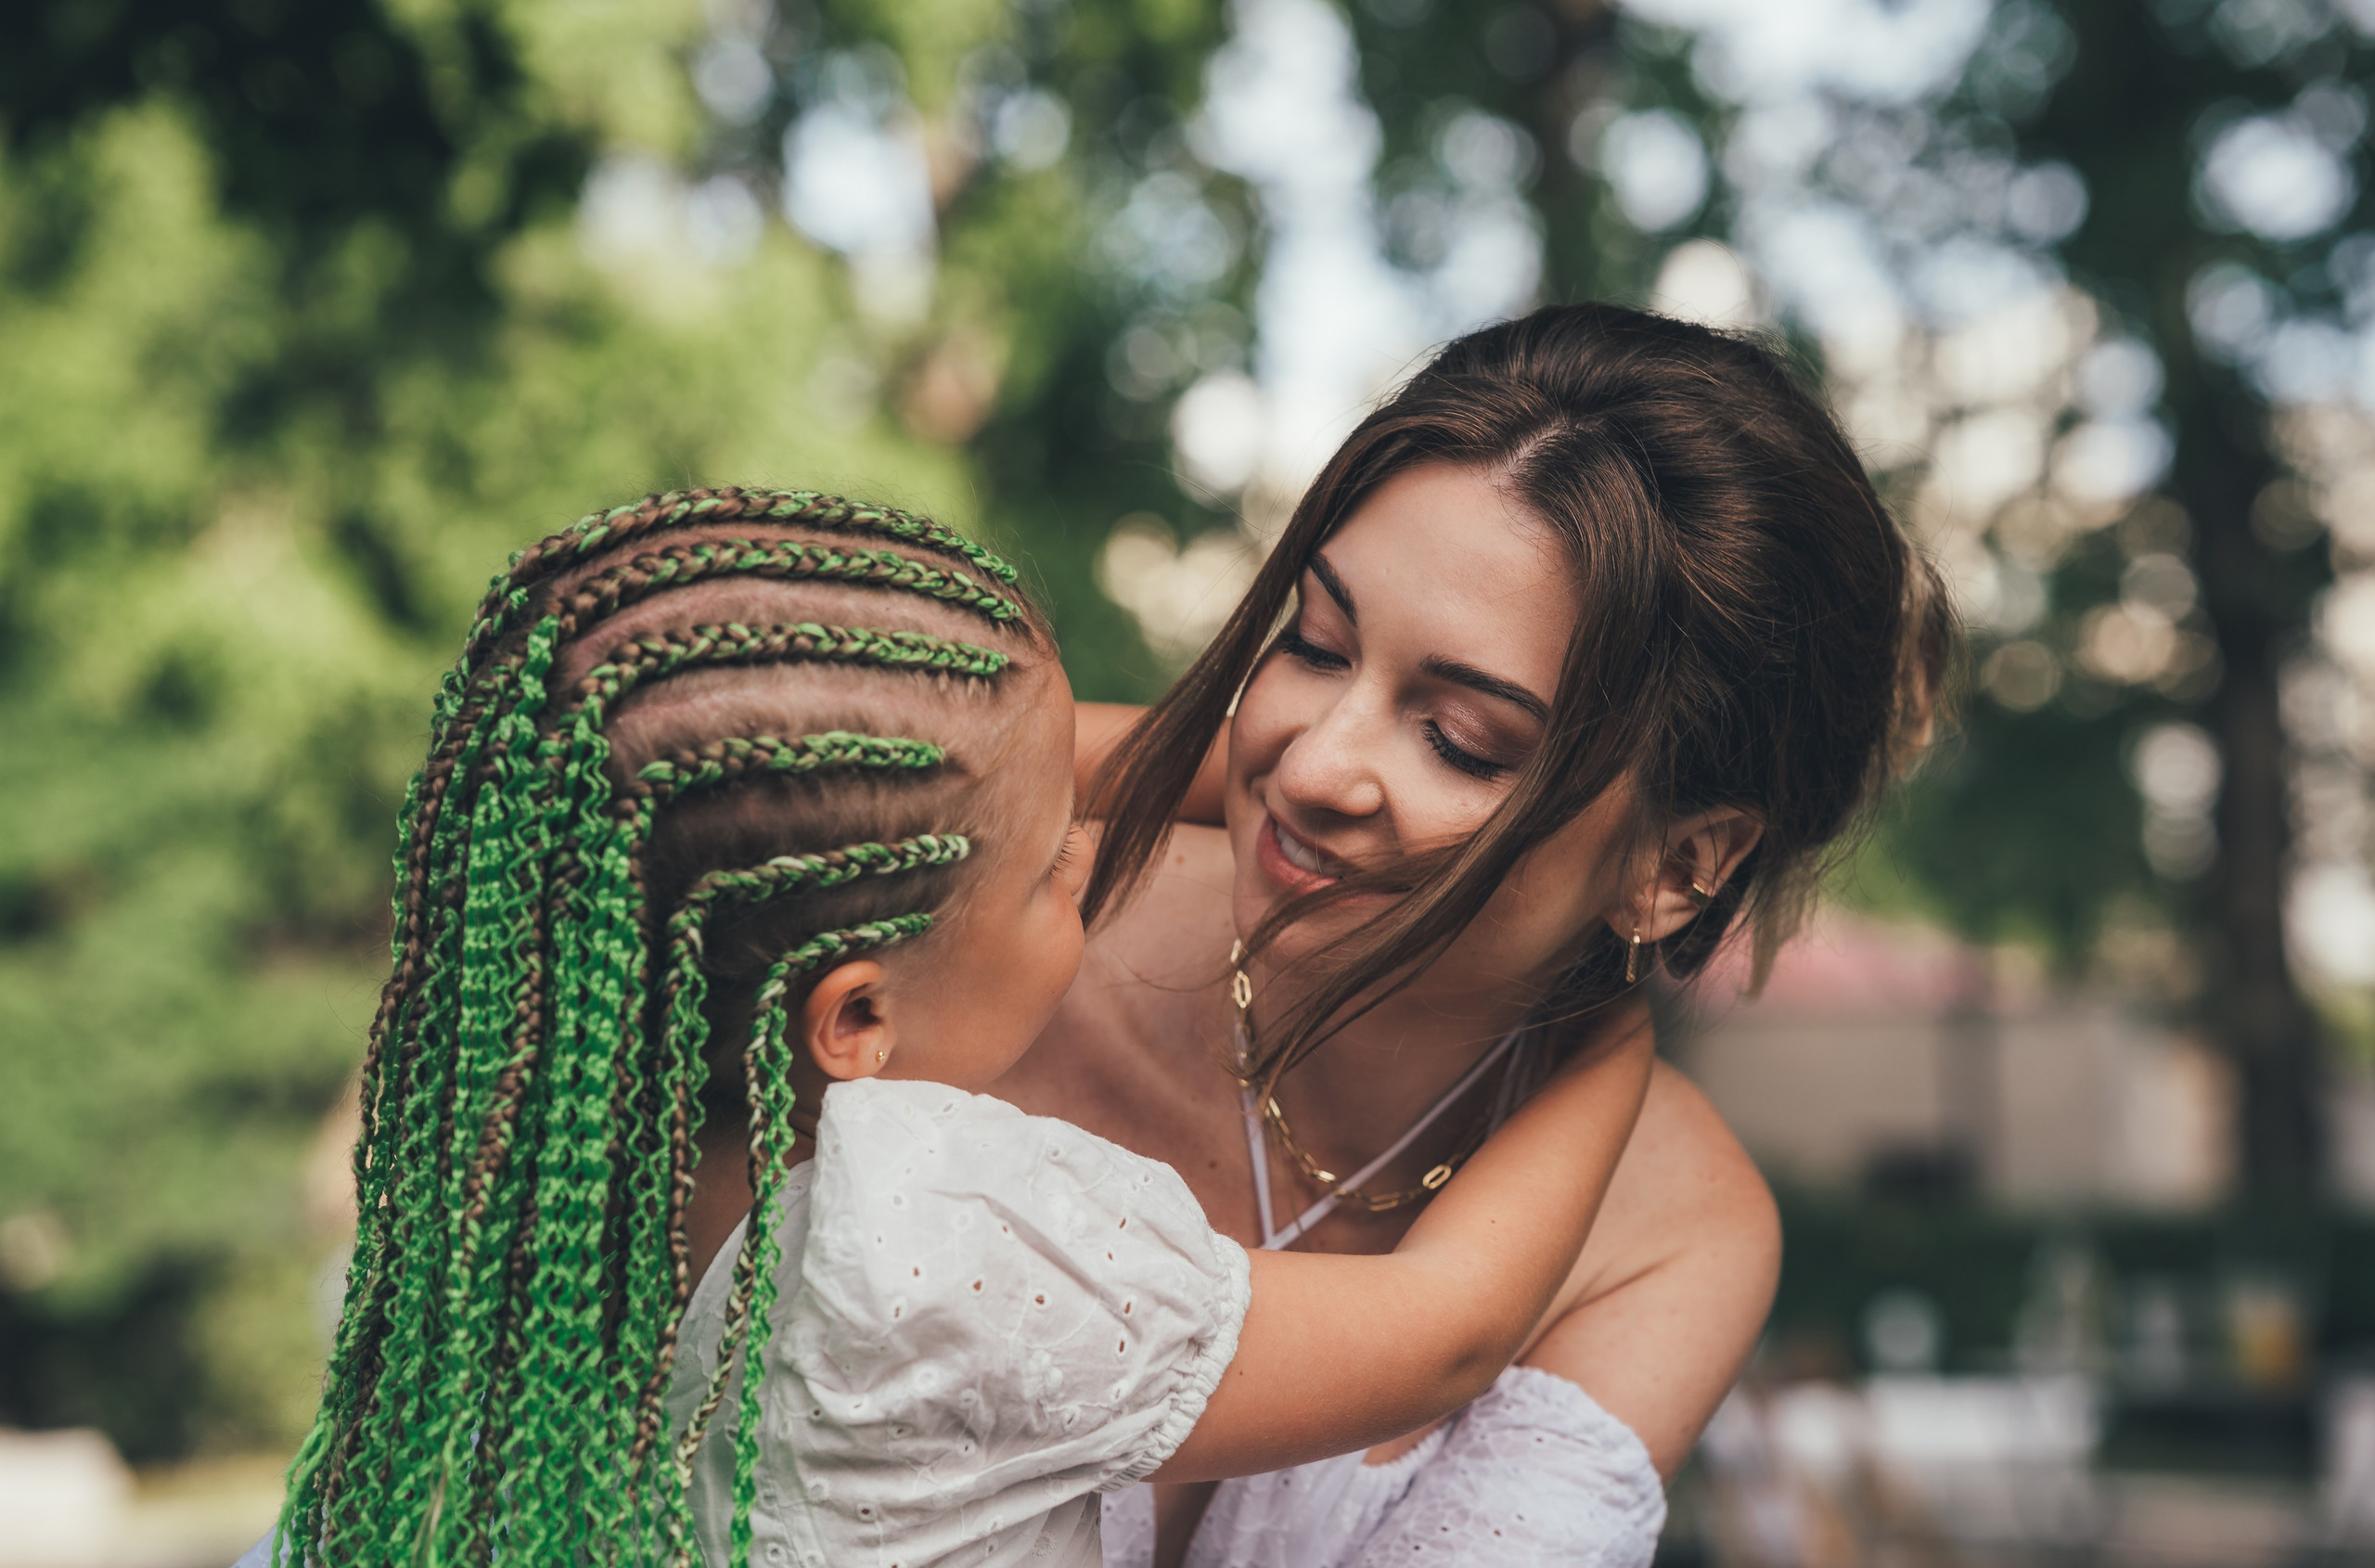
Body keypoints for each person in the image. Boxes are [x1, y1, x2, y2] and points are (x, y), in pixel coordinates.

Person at [245, 488, 1653, 1568]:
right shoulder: (928, 1234)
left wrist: (1290, 771)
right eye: (1058, 863)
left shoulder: (543, 1181)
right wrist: (1608, 1024)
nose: (1102, 864)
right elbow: (1442, 1337)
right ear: (858, 1017)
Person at [995, 302, 1955, 1567]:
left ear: (1678, 866)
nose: (1317, 765)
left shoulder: (1675, 1230)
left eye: (1460, 740)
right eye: (1317, 643)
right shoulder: (996, 942)